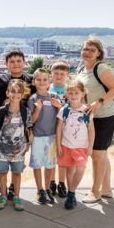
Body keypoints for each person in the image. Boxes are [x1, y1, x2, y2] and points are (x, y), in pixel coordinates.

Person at [76, 36, 114, 203]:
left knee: (97, 154)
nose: (87, 52)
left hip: (104, 117)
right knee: (102, 154)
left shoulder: (101, 68)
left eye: (92, 50)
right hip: (90, 118)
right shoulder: (81, 70)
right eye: (85, 49)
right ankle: (107, 189)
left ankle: (95, 192)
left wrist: (99, 102)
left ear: (99, 53)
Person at [0, 50, 36, 200]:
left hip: (24, 128)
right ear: (6, 64)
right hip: (6, 128)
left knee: (18, 159)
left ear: (24, 62)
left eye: (19, 61)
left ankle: (13, 188)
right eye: (12, 61)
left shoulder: (31, 80)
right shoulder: (1, 81)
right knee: (4, 161)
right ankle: (2, 188)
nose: (16, 64)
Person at [0, 80, 32, 211]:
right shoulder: (1, 111)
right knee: (3, 173)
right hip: (2, 149)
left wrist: (28, 144)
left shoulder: (25, 111)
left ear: (22, 94)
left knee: (17, 173)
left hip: (18, 149)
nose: (16, 94)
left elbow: (28, 129)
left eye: (19, 92)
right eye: (13, 91)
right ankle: (3, 196)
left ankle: (16, 196)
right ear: (7, 93)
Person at [56, 80, 95, 209]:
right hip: (66, 145)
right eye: (70, 92)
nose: (73, 95)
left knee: (80, 169)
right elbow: (59, 128)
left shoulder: (87, 111)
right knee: (69, 169)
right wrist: (58, 145)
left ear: (83, 93)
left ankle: (71, 192)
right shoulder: (64, 110)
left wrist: (90, 146)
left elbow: (91, 129)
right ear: (66, 94)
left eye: (76, 93)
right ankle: (70, 194)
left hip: (81, 147)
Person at [27, 68, 62, 205]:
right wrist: (38, 109)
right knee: (37, 164)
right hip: (38, 137)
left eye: (45, 80)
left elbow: (62, 117)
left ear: (49, 81)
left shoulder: (54, 97)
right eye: (39, 80)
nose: (42, 82)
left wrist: (59, 107)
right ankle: (39, 190)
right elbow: (31, 120)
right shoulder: (33, 99)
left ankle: (47, 189)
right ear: (34, 82)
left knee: (50, 165)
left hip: (52, 137)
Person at [48, 61, 70, 198]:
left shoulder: (69, 90)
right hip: (49, 127)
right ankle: (51, 182)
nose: (59, 76)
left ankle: (62, 183)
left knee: (62, 157)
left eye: (62, 74)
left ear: (67, 75)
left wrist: (59, 105)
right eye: (56, 73)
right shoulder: (47, 89)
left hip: (65, 129)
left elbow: (72, 108)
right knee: (51, 157)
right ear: (51, 74)